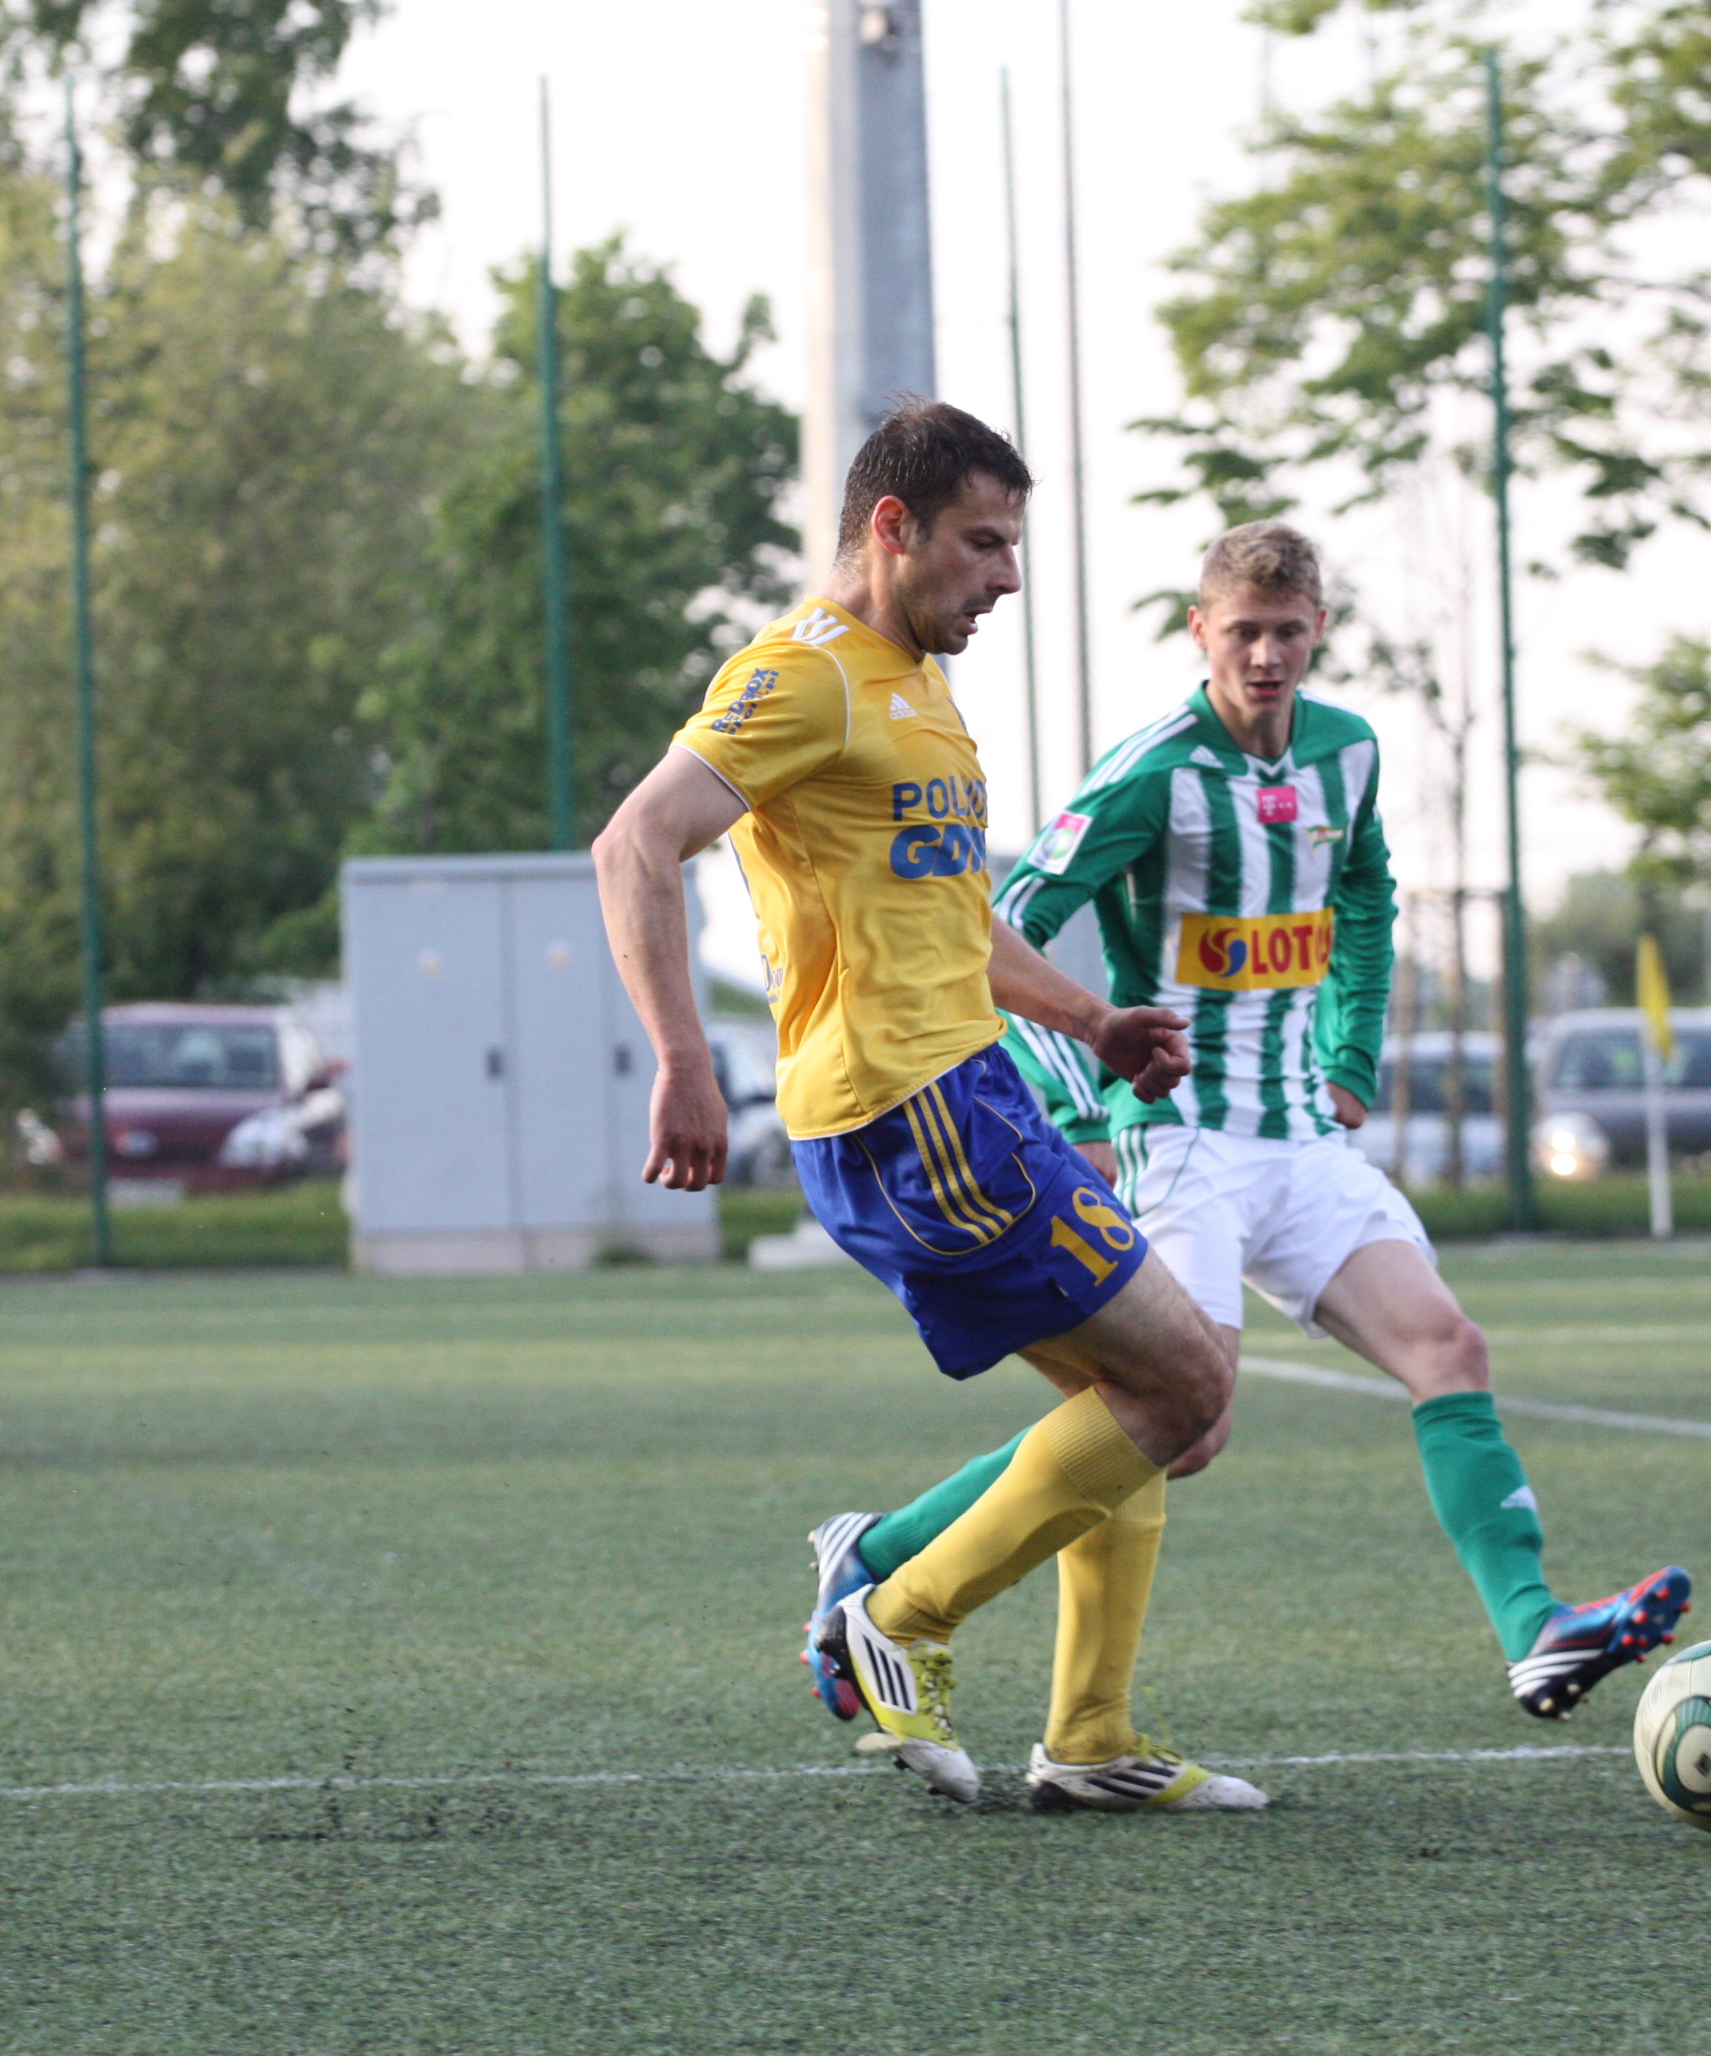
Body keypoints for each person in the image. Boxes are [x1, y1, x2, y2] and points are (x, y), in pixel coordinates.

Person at [803, 521, 1692, 1729]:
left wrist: (1350, 1056)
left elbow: (1366, 896)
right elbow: (999, 923)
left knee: (1449, 1348)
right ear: (1200, 634)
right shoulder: (1154, 771)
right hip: (1182, 1143)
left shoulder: (1348, 753)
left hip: (1301, 1138)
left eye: (1285, 633)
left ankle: (1534, 1628)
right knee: (1184, 1420)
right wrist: (1078, 1098)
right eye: (1242, 634)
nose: (1265, 657)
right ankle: (883, 1556)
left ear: (1318, 630)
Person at [593, 399, 1259, 1813]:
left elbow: (952, 913)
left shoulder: (915, 681)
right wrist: (684, 1059)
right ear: (890, 528)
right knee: (1190, 1381)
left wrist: (1091, 1020)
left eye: (1012, 545)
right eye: (983, 542)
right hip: (913, 1111)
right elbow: (635, 843)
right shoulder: (805, 675)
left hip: (971, 1091)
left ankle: (1089, 1738)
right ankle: (895, 1608)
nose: (1006, 576)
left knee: (1149, 1407)